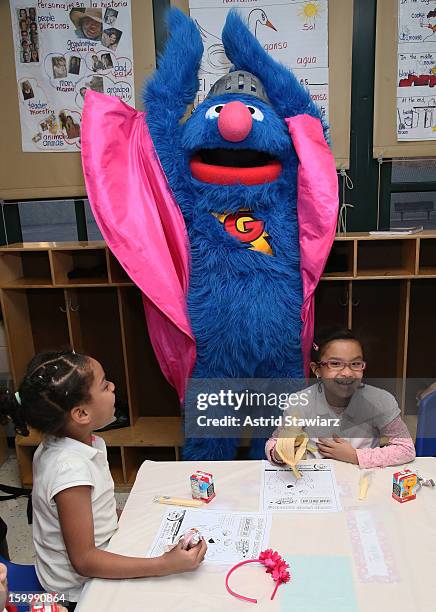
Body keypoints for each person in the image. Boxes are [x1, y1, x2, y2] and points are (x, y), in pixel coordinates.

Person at [0, 351, 207, 610]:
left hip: (95, 558)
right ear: (81, 414)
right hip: (77, 593)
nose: (113, 387)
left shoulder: (75, 442)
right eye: (105, 384)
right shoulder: (70, 470)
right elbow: (85, 561)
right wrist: (163, 565)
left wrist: (129, 516)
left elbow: (92, 510)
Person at [265, 328, 416, 469]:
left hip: (361, 483)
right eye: (335, 364)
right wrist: (281, 452)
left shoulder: (380, 401)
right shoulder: (299, 402)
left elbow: (406, 448)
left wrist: (355, 456)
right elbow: (273, 444)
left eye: (355, 364)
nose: (347, 373)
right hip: (313, 483)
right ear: (317, 369)